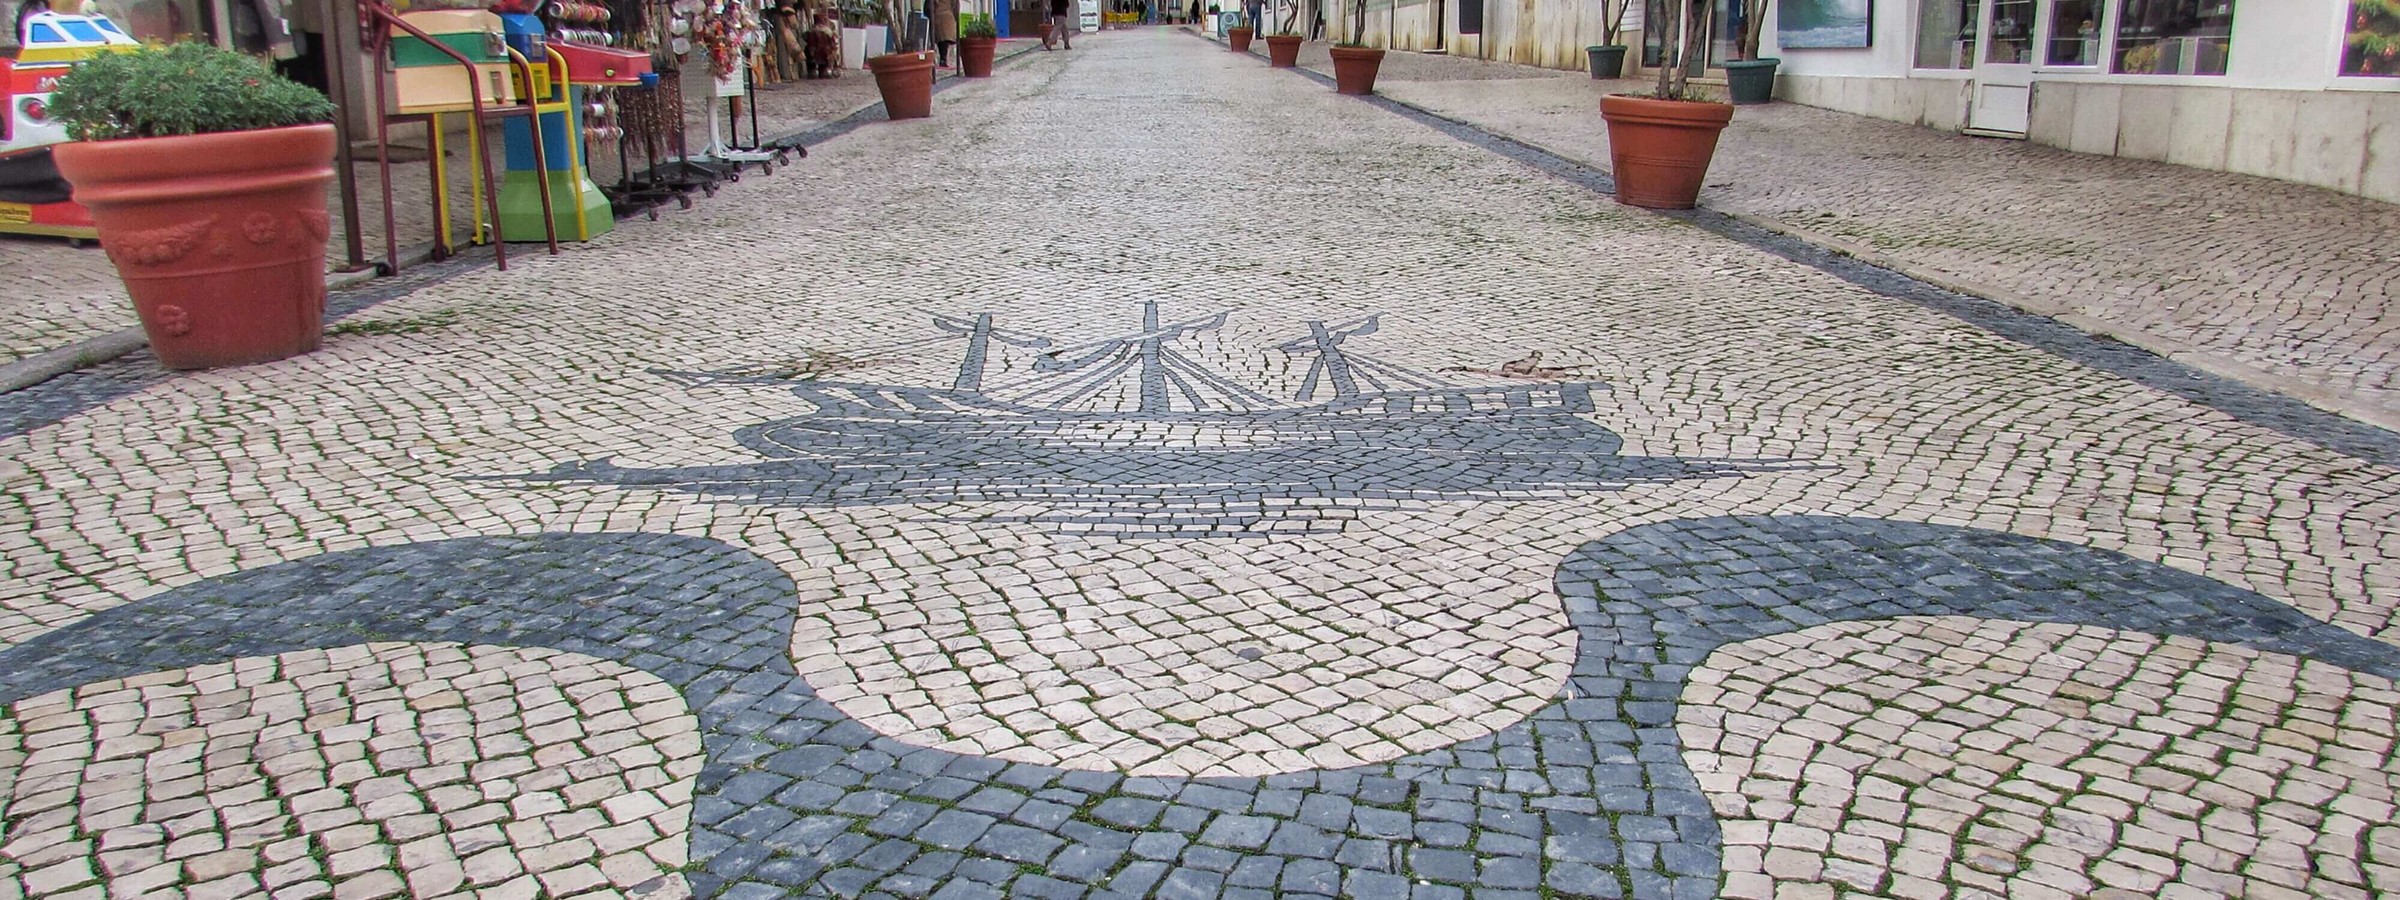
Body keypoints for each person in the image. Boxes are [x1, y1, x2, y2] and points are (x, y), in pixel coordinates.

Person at [928, 0, 956, 67]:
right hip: (948, 17)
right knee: (944, 40)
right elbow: (955, 6)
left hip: (937, 16)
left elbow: (928, 7)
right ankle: (943, 59)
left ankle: (941, 59)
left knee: (940, 40)